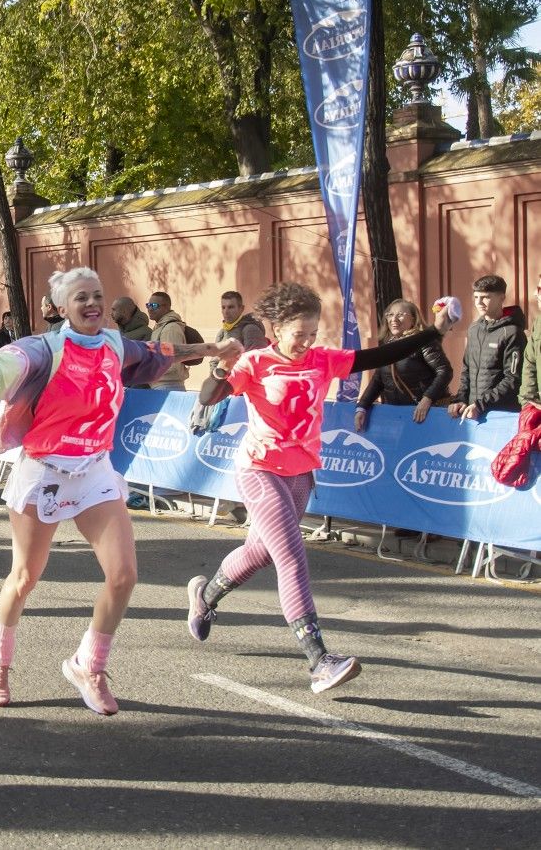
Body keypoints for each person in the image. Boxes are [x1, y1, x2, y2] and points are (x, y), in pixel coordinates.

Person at [0, 267, 235, 716]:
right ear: (61, 308)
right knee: (24, 578)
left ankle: (87, 665)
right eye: (81, 298)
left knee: (123, 575)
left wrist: (212, 348)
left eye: (98, 295)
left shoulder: (115, 344)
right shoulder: (43, 349)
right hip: (45, 470)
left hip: (95, 468)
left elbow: (159, 350)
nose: (93, 304)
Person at [191, 282, 458, 693]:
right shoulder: (255, 363)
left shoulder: (323, 360)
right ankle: (319, 659)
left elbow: (384, 354)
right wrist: (222, 367)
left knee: (261, 551)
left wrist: (434, 332)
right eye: (300, 334)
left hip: (300, 472)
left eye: (313, 333)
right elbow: (212, 395)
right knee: (291, 555)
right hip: (260, 468)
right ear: (276, 329)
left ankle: (205, 596)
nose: (307, 342)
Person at [354, 299, 452, 431]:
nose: (393, 319)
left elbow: (445, 371)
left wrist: (427, 399)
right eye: (389, 315)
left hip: (425, 415)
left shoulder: (424, 342)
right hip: (397, 418)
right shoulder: (388, 345)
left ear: (413, 319)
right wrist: (362, 407)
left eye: (400, 314)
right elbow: (378, 380)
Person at [189, 291, 269, 435]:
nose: (226, 311)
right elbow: (214, 362)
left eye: (231, 307)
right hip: (222, 387)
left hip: (242, 394)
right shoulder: (222, 332)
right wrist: (215, 380)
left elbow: (257, 362)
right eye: (223, 307)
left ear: (241, 308)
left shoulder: (250, 329)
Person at [448, 274, 524, 421]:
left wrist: (481, 404)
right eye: (476, 297)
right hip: (473, 412)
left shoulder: (512, 332)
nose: (479, 302)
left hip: (501, 415)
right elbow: (466, 370)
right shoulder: (474, 329)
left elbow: (512, 379)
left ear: (502, 297)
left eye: (485, 297)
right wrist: (460, 399)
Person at [146, 292, 190, 391]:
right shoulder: (160, 327)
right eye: (148, 305)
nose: (150, 309)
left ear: (166, 307)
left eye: (154, 305)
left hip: (168, 386)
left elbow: (171, 364)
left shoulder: (170, 329)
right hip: (162, 386)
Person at [520, 275, 541, 410]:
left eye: (539, 289)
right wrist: (528, 402)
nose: (535, 293)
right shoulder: (539, 323)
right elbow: (530, 362)